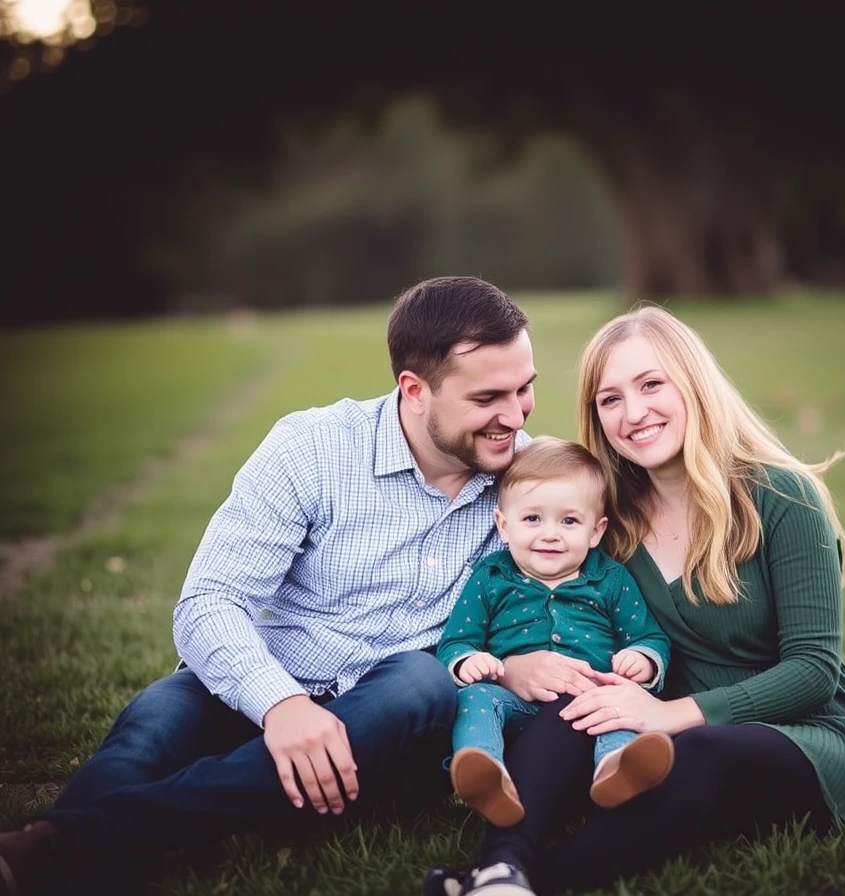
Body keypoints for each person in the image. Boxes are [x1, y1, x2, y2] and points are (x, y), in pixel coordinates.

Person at [0, 275, 541, 896]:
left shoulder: (529, 485)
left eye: (525, 388)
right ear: (414, 391)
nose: (515, 415)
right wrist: (281, 704)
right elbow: (210, 601)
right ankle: (69, 858)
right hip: (262, 684)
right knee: (151, 729)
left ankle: (51, 846)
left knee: (423, 682)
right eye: (489, 397)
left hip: (386, 721)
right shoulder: (311, 448)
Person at [425, 304, 845, 896]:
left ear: (693, 385)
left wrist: (669, 715)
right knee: (580, 702)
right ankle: (501, 866)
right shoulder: (609, 525)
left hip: (800, 734)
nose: (633, 413)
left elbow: (814, 672)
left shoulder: (781, 497)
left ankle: (531, 884)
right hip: (663, 724)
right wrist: (519, 671)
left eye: (651, 384)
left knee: (695, 753)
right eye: (609, 399)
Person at [437, 436, 673, 838]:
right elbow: (455, 642)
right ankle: (483, 772)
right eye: (532, 519)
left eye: (569, 521)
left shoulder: (609, 578)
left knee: (616, 708)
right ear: (503, 525)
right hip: (514, 701)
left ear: (596, 532)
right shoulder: (492, 578)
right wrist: (468, 661)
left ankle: (616, 769)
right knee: (474, 698)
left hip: (589, 698)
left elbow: (649, 635)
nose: (550, 534)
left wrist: (644, 658)